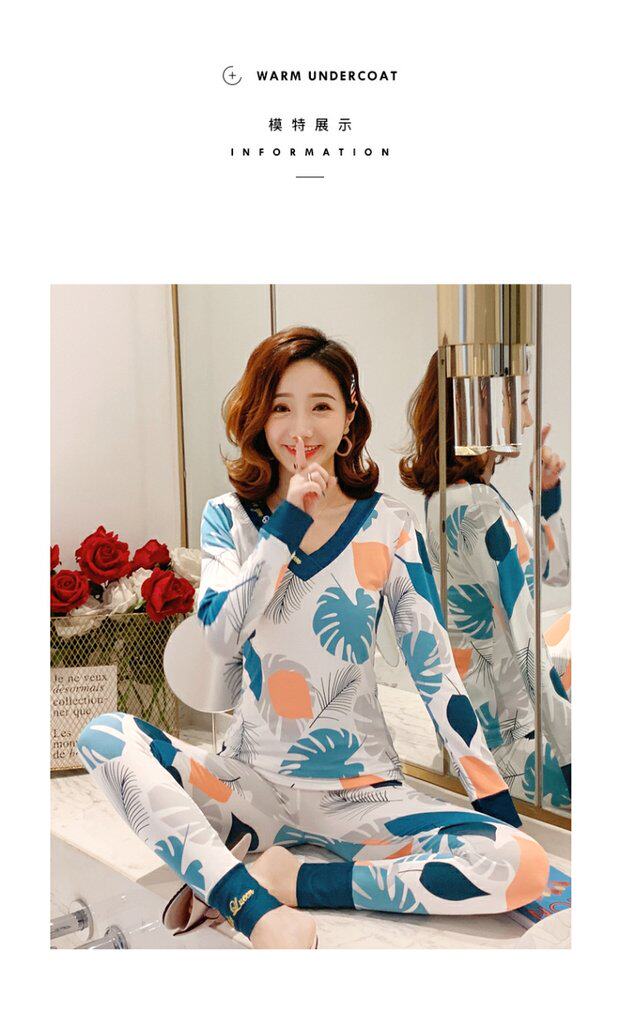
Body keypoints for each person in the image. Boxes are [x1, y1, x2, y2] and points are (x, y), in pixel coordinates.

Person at [76, 327, 550, 950]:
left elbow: (436, 674)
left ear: (349, 418)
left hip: (364, 795)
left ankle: (291, 881)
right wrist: (287, 524)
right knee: (104, 736)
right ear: (259, 418)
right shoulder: (228, 517)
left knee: (523, 863)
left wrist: (495, 811)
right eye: (281, 407)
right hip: (249, 788)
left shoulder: (388, 523)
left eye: (321, 406)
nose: (301, 427)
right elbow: (219, 635)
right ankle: (251, 906)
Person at [400, 352, 571, 811]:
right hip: (511, 744)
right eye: (523, 401)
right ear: (482, 404)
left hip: (498, 728)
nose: (529, 419)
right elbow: (526, 640)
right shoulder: (476, 508)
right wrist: (573, 754)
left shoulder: (456, 499)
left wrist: (544, 496)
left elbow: (554, 571)